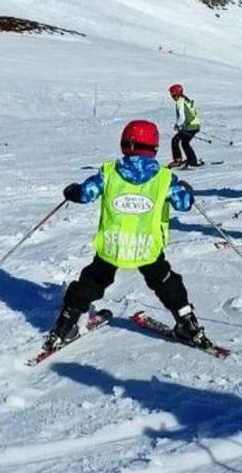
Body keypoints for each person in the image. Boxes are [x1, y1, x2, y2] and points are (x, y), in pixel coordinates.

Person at [44, 120, 212, 351]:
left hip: (113, 246)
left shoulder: (109, 173)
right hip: (147, 248)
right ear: (154, 148)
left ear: (124, 144)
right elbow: (184, 204)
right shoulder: (164, 178)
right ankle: (187, 324)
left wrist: (72, 191)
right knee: (167, 283)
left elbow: (85, 194)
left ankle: (66, 324)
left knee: (91, 281)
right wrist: (187, 190)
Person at [168, 84, 203, 168]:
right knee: (185, 143)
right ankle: (192, 160)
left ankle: (178, 160)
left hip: (190, 126)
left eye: (172, 94)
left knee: (175, 140)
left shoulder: (180, 101)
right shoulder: (186, 99)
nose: (172, 96)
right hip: (195, 125)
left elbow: (182, 117)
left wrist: (178, 125)